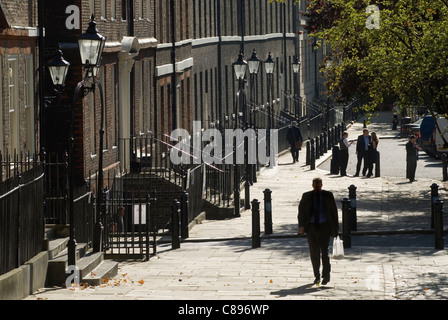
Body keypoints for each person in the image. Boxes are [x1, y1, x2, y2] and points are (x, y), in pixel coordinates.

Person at [298, 178, 339, 285]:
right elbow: (301, 212)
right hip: (311, 227)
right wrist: (301, 226)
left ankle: (326, 273)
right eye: (315, 186)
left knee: (324, 252)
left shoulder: (328, 195)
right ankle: (317, 276)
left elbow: (334, 212)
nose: (317, 188)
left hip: (324, 226)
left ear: (321, 185)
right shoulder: (306, 196)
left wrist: (335, 229)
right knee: (314, 252)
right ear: (312, 185)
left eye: (319, 186)